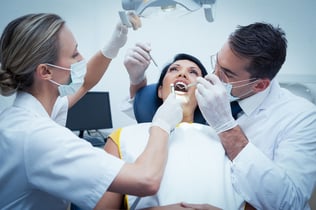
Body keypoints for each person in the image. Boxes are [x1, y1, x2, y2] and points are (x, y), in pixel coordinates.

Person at [123, 23, 316, 209]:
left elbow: (291, 203)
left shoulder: (301, 117)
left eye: (226, 73)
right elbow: (146, 111)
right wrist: (137, 80)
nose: (213, 75)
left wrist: (225, 126)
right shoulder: (130, 137)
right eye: (216, 62)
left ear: (259, 85)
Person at [0, 13, 183, 210]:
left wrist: (114, 44)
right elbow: (146, 179)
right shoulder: (38, 136)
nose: (82, 59)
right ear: (45, 72)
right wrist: (162, 123)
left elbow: (84, 83)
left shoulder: (29, 113)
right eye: (74, 54)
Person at [103, 53, 245, 210]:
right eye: (174, 69)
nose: (182, 74)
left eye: (193, 72)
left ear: (201, 94)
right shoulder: (122, 138)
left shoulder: (228, 141)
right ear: (160, 90)